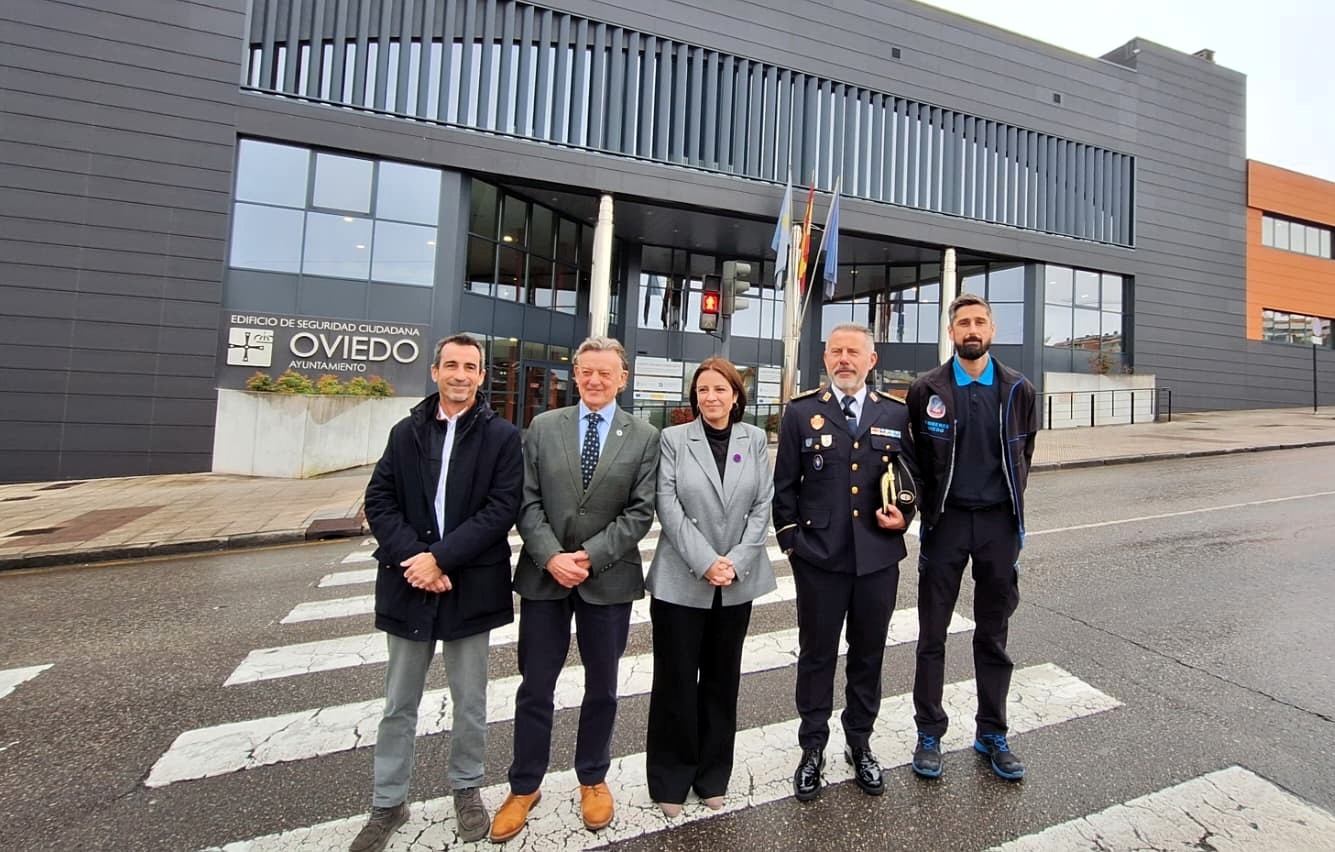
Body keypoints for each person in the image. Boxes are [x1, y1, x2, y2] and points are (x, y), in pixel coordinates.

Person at [353, 334, 523, 851]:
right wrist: (417, 560)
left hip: (469, 583)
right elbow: (379, 499)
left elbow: (501, 509)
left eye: (469, 366)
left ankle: (467, 790)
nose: (460, 374)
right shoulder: (406, 433)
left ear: (480, 376)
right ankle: (388, 802)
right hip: (410, 583)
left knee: (469, 700)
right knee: (399, 703)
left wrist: (442, 559)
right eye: (451, 365)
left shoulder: (502, 437)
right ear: (435, 372)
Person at [490, 336, 660, 843]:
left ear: (622, 379)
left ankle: (593, 777)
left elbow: (640, 510)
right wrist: (552, 556)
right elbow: (526, 501)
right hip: (545, 576)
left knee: (602, 688)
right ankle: (524, 786)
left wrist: (589, 556)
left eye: (605, 373)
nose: (593, 380)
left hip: (607, 578)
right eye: (586, 371)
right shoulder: (543, 428)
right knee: (535, 687)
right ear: (576, 373)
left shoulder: (645, 436)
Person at [772, 322, 918, 802]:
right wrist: (793, 545)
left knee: (868, 655)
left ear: (871, 360)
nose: (844, 359)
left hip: (877, 559)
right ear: (826, 359)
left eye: (854, 352)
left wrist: (905, 515)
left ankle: (860, 742)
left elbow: (911, 480)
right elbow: (784, 490)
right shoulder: (801, 413)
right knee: (816, 657)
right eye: (836, 352)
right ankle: (812, 748)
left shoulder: (895, 414)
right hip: (819, 561)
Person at [907, 293, 1038, 782]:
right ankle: (929, 734)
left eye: (979, 321)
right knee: (932, 635)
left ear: (992, 329)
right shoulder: (928, 390)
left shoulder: (1018, 389)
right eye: (963, 322)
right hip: (946, 526)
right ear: (951, 332)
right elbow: (915, 461)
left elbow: (1025, 455)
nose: (971, 329)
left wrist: (1013, 516)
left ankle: (992, 732)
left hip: (999, 527)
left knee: (993, 634)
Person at [645, 357, 776, 817]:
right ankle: (670, 779)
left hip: (735, 582)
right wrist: (706, 562)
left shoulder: (754, 439)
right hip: (682, 578)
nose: (710, 397)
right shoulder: (674, 440)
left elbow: (762, 505)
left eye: (720, 389)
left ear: (736, 395)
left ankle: (712, 775)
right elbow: (668, 505)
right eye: (702, 390)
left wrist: (735, 562)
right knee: (675, 682)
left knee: (723, 682)